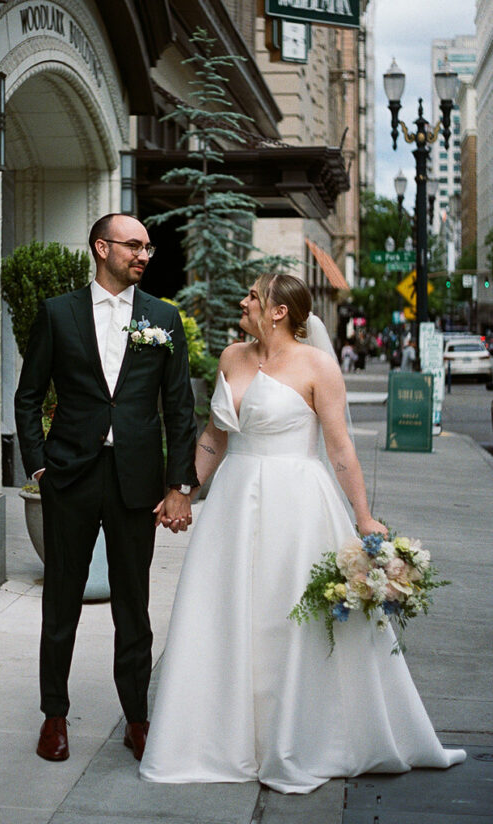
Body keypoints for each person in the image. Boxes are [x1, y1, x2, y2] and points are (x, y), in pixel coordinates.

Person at [140, 272, 465, 793]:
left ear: (278, 311)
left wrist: (363, 516)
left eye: (252, 296)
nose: (242, 301)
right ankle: (222, 740)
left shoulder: (318, 366)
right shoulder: (231, 357)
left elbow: (339, 451)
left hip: (297, 505)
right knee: (227, 613)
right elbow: (214, 437)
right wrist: (184, 490)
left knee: (288, 618)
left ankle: (297, 737)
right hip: (233, 503)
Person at [15, 213, 198, 765]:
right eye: (134, 245)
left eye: (149, 247)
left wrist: (178, 485)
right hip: (70, 476)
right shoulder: (58, 313)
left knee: (134, 606)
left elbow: (180, 408)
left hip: (135, 482)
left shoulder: (163, 318)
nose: (145, 254)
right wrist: (40, 466)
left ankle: (138, 719)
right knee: (61, 604)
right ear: (102, 248)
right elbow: (28, 396)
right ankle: (54, 717)